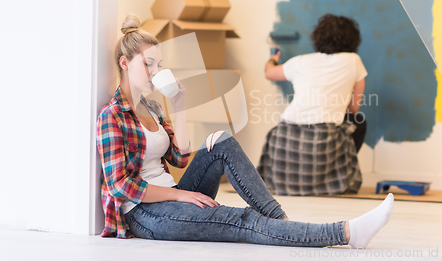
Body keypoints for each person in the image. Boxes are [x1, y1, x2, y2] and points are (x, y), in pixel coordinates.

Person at [96, 14, 393, 248]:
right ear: (125, 63)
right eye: (148, 64)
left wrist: (180, 105)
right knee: (241, 219)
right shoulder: (111, 117)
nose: (156, 72)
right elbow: (120, 186)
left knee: (221, 141)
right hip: (145, 213)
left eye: (159, 64)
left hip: (172, 194)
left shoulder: (153, 107)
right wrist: (180, 197)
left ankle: (282, 222)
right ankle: (347, 233)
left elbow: (180, 159)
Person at [258, 14, 367, 196]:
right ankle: (335, 175)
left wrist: (273, 59)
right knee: (359, 122)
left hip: (283, 140)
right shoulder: (353, 61)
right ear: (352, 40)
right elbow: (354, 110)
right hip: (322, 142)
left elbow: (269, 73)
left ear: (318, 38)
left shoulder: (301, 61)